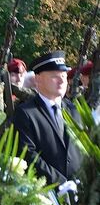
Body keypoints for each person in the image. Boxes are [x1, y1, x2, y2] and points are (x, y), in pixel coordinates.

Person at [12, 51, 84, 185]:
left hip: (80, 188)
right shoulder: (26, 113)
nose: (62, 81)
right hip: (46, 190)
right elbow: (28, 154)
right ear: (38, 79)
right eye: (55, 77)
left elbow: (83, 148)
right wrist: (60, 182)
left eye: (64, 76)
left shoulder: (74, 110)